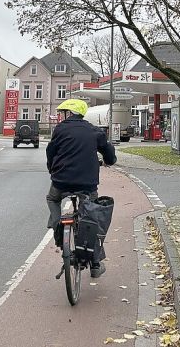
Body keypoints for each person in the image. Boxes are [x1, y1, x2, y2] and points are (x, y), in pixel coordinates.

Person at [45, 99, 117, 278]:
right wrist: (108, 161)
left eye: (63, 113)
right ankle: (95, 263)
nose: (61, 116)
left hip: (61, 182)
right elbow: (108, 152)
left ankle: (58, 227)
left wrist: (52, 169)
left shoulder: (60, 130)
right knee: (92, 217)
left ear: (69, 113)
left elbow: (50, 152)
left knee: (52, 199)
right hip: (87, 185)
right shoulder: (95, 131)